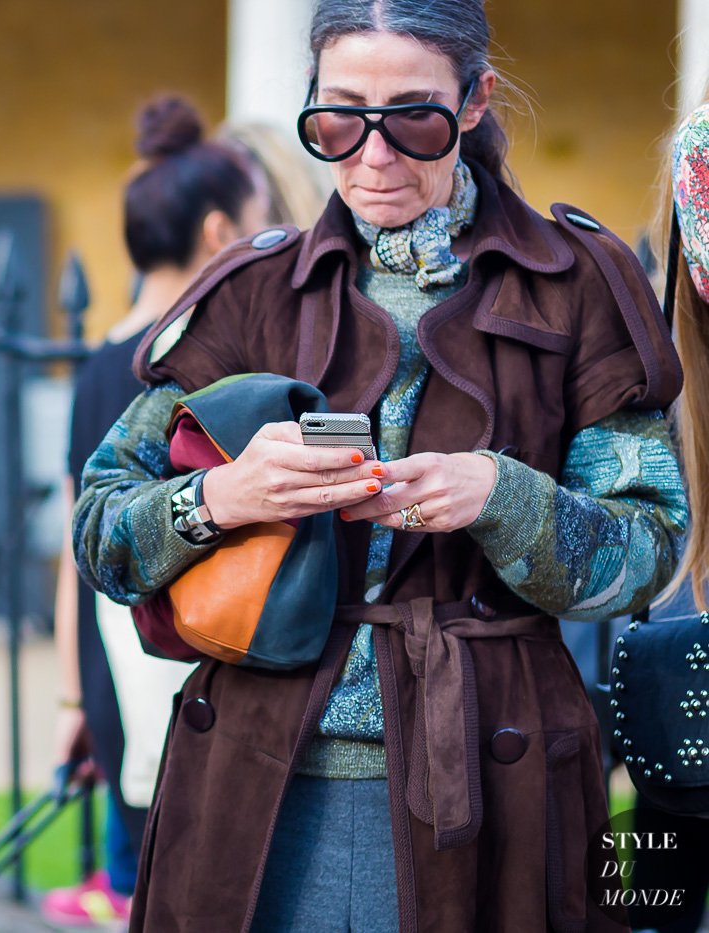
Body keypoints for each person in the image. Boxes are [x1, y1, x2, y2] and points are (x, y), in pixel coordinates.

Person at [72, 0, 686, 929]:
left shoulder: (577, 284)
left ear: (475, 102)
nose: (374, 154)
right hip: (254, 787)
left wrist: (501, 494)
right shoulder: (249, 291)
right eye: (338, 119)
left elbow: (648, 546)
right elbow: (101, 532)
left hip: (494, 780)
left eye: (413, 118)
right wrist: (223, 495)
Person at [44, 94, 267, 927]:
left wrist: (74, 700)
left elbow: (78, 551)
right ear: (218, 232)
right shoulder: (212, 368)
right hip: (194, 657)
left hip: (113, 658)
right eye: (257, 220)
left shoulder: (100, 364)